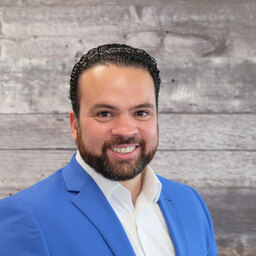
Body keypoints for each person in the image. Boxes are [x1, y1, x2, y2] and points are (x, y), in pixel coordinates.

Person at [0, 44, 218, 256]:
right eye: (105, 113)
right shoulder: (26, 216)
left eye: (141, 112)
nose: (125, 131)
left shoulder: (190, 203)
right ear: (75, 125)